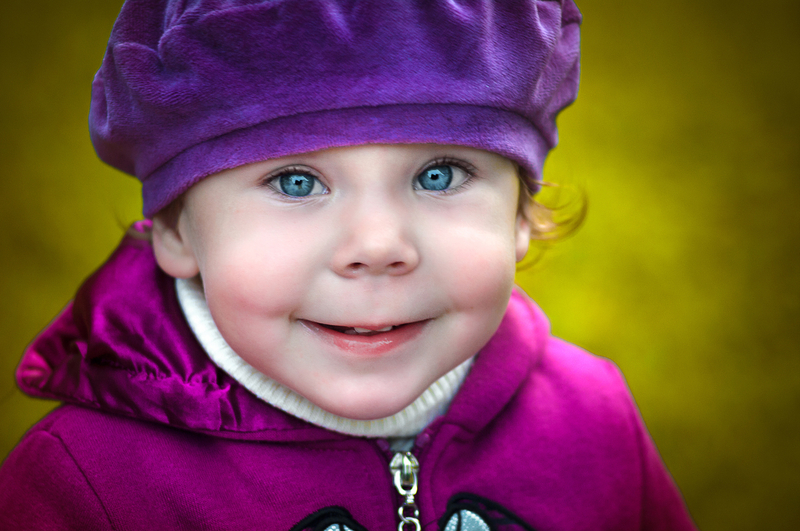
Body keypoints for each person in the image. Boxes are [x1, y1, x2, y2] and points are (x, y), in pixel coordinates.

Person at [0, 1, 697, 529]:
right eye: (296, 181)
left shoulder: (593, 420)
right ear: (176, 229)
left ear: (519, 214)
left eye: (439, 174)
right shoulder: (88, 483)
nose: (378, 244)